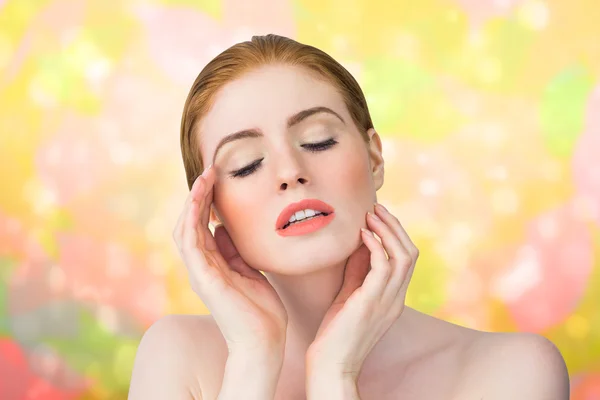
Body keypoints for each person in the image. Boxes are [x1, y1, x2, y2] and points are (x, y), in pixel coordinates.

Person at [128, 34, 570, 400]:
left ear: (374, 158)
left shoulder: (512, 372)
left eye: (318, 141)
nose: (290, 172)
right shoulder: (176, 357)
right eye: (245, 164)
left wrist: (335, 375)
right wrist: (252, 359)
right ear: (209, 209)